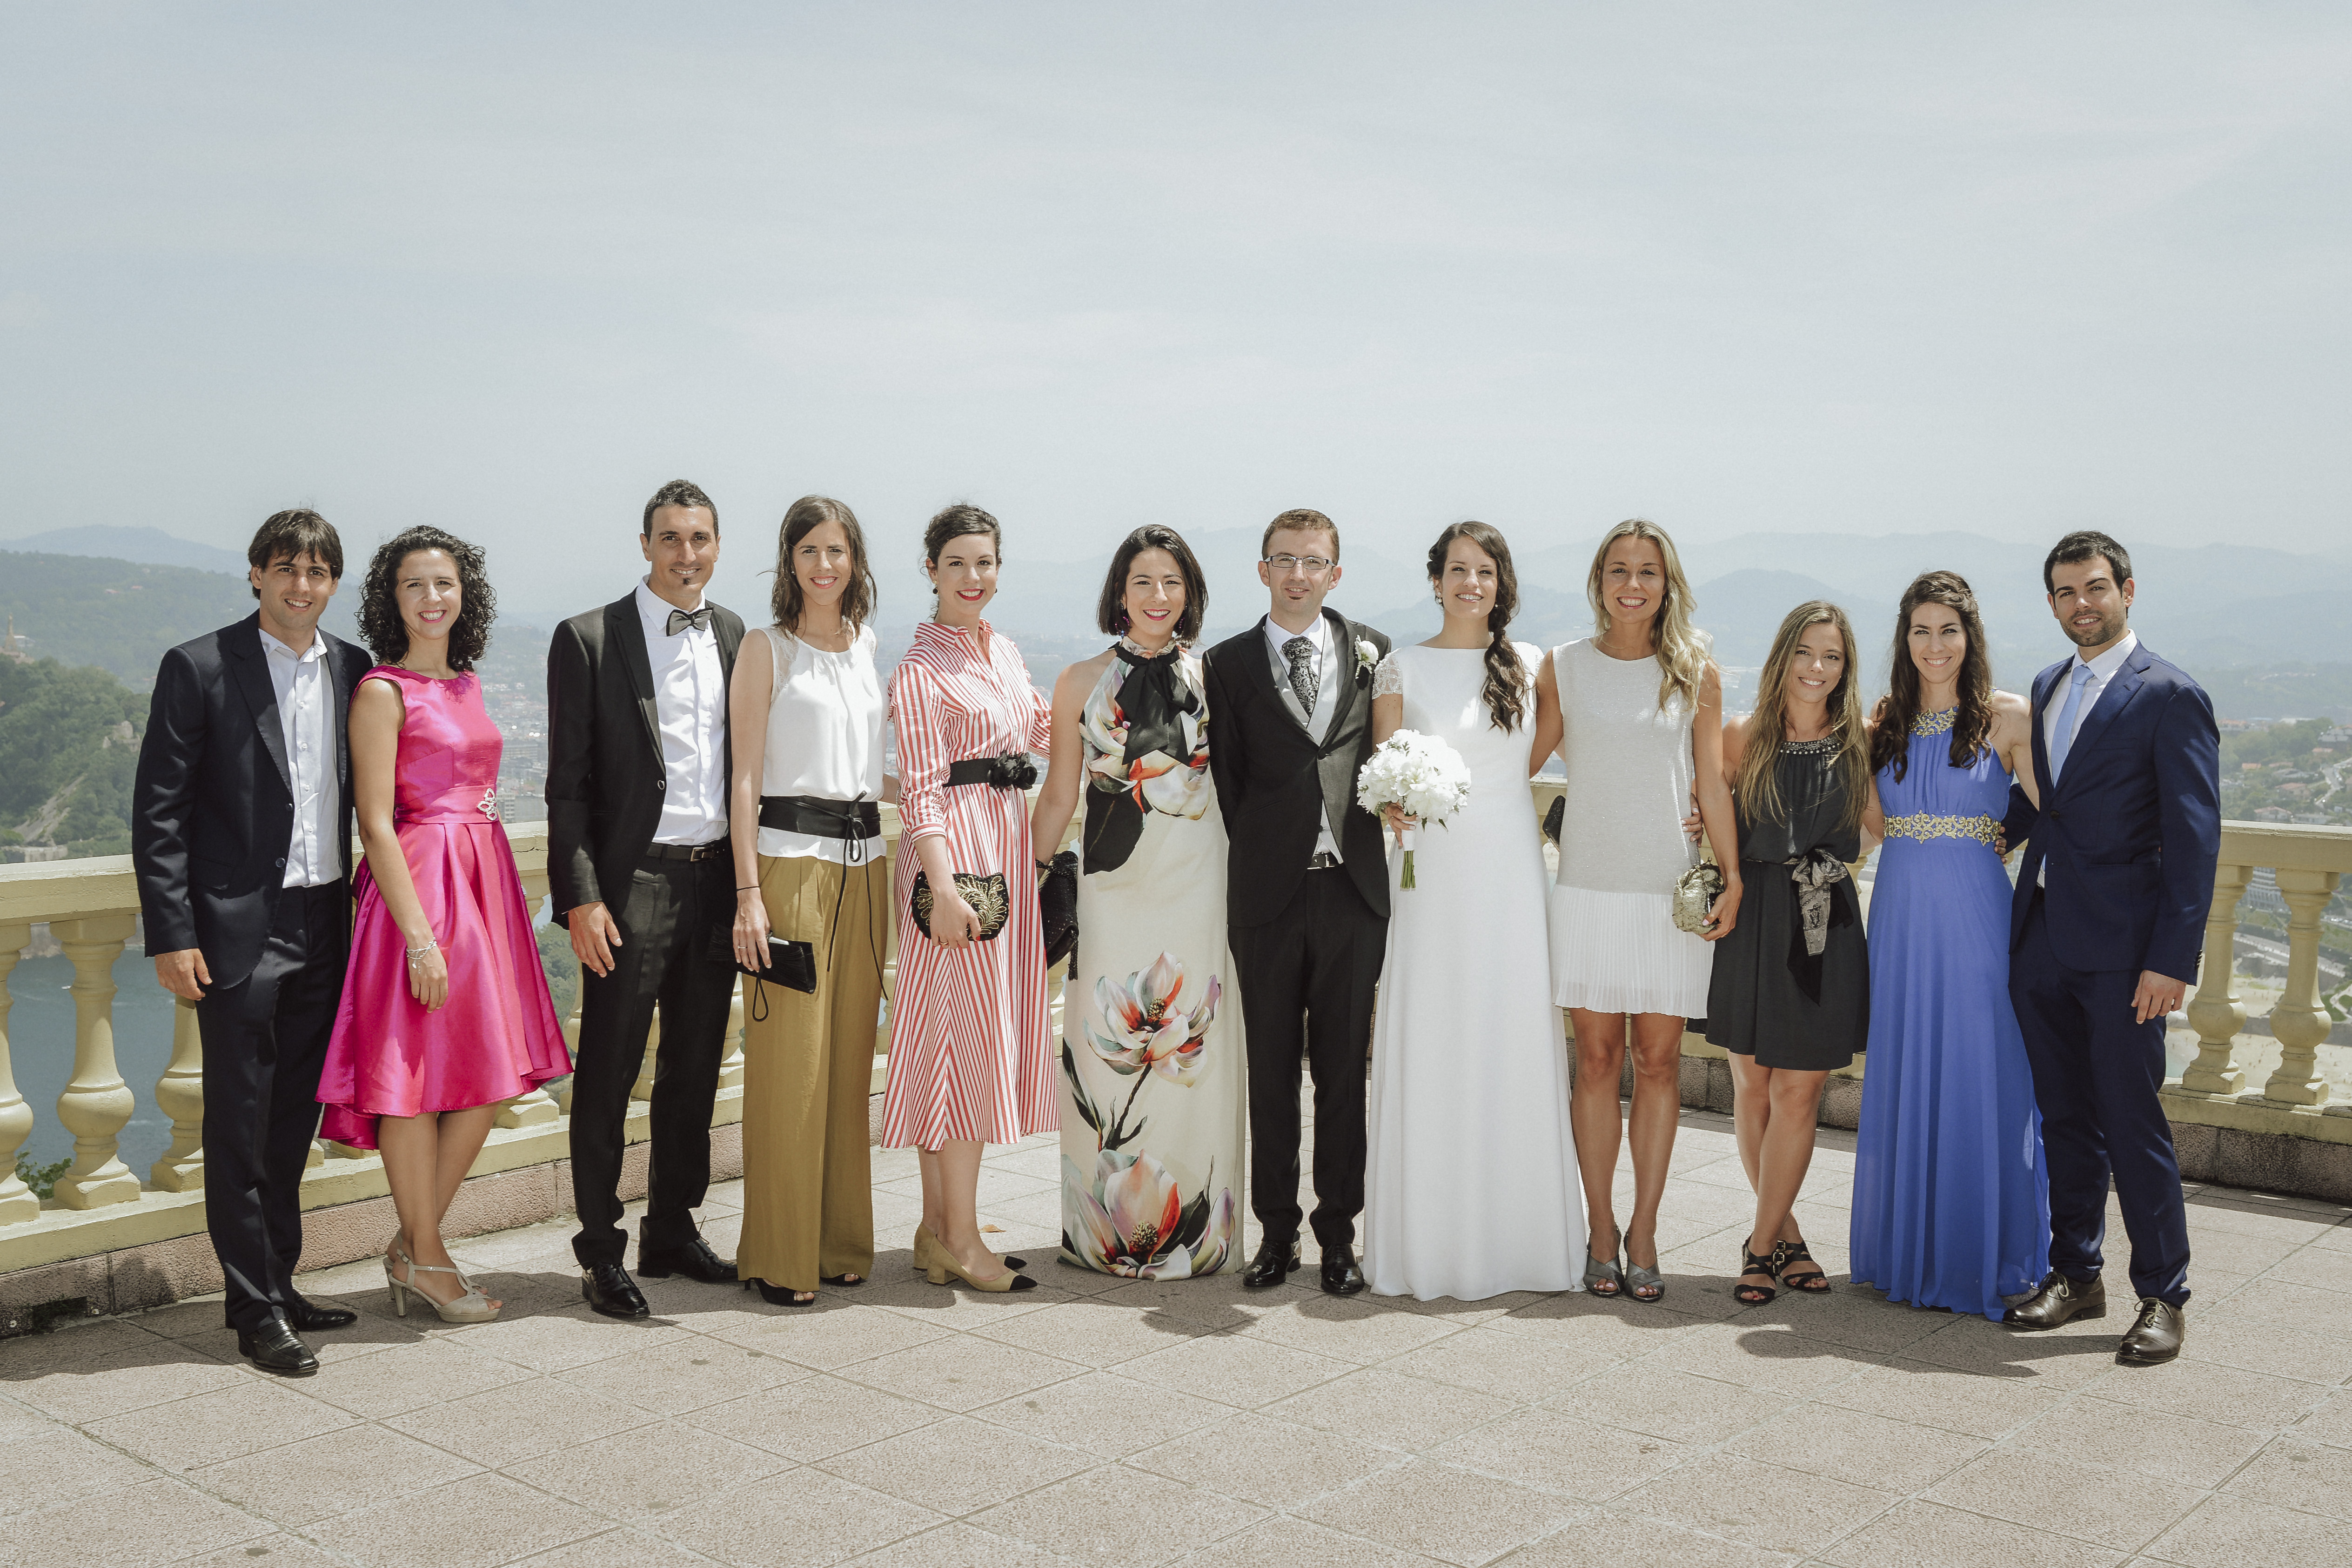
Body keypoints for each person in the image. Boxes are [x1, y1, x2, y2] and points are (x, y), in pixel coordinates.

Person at [131, 510, 372, 1376]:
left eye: (317, 572)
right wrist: (172, 933)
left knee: (293, 1119)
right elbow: (158, 814)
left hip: (325, 921)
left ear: (333, 582)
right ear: (257, 574)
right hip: (236, 929)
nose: (301, 585)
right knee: (239, 1123)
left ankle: (280, 1280)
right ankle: (253, 1310)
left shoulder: (354, 668)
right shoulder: (199, 666)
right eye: (286, 568)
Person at [315, 528, 571, 1323]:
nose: (432, 598)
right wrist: (419, 937)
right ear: (391, 601)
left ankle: (411, 1246)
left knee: (487, 1078)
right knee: (414, 1085)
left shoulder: (467, 683)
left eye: (445, 583)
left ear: (466, 594)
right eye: (414, 585)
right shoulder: (381, 691)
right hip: (420, 891)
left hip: (483, 885)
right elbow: (374, 821)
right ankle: (427, 1256)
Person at [1998, 530, 2217, 1367]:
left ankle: (2164, 1294)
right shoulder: (2047, 685)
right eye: (2065, 591)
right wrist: (1966, 836)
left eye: (2094, 587)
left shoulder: (2171, 694)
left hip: (2127, 953)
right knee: (2063, 1116)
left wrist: (2173, 960)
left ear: (2127, 589)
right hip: (2043, 938)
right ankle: (2077, 1274)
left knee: (2132, 1119)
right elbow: (2041, 805)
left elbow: (2194, 842)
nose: (2080, 604)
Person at [1361, 522, 1580, 1300]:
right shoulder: (1400, 665)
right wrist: (1400, 802)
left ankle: (1521, 1242)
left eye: (1485, 570)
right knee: (1434, 1025)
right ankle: (1428, 1243)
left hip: (1509, 869)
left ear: (1502, 582)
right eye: (1457, 569)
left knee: (1510, 1028)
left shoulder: (1533, 663)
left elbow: (1541, 754)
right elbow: (1382, 770)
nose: (1471, 583)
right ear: (1436, 580)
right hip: (1430, 872)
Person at [1528, 518, 1740, 1304]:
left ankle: (1645, 1229)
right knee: (1593, 1063)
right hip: (1587, 889)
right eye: (1619, 569)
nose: (1632, 584)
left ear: (1667, 583)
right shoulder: (1563, 667)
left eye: (1648, 570)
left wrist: (1733, 873)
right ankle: (1601, 1227)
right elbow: (1521, 762)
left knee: (1657, 1063)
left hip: (1666, 895)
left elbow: (1711, 780)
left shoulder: (1696, 672)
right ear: (1599, 581)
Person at [548, 480, 746, 1319]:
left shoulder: (735, 633)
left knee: (695, 1067)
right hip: (634, 885)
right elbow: (567, 788)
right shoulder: (589, 637)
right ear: (645, 545)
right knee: (609, 1071)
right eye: (670, 538)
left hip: (715, 879)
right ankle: (600, 1249)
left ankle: (672, 1227)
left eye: (700, 538)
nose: (686, 554)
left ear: (717, 546)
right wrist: (582, 897)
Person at [1031, 526, 1243, 1279]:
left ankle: (1201, 1236)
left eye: (1172, 582)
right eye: (1143, 581)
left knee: (1195, 1051)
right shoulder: (1079, 680)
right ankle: (1101, 1233)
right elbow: (1060, 792)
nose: (1158, 596)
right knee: (1104, 1054)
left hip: (1199, 885)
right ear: (1119, 591)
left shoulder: (1217, 677)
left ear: (1191, 593)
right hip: (1112, 893)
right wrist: (1027, 875)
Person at [1849, 572, 2050, 1320]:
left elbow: (2058, 812)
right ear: (1905, 639)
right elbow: (1867, 830)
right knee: (1909, 1064)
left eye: (1948, 630)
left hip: (1976, 918)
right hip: (1900, 916)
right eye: (1921, 631)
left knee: (1982, 1065)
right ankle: (1911, 1251)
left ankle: (1985, 1252)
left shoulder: (2008, 717)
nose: (1935, 646)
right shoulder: (1882, 723)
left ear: (1971, 636)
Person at [1201, 509, 1391, 1297]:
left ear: (1335, 573)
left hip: (1352, 891)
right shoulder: (1227, 663)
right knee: (1271, 1072)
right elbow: (1231, 782)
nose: (1299, 575)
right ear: (1263, 570)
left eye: (1314, 562)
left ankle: (1339, 1237)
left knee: (1345, 1075)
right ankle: (1275, 1235)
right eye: (1284, 560)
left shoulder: (1373, 650)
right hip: (1267, 897)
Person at [879, 504, 1055, 1293]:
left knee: (954, 1040)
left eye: (984, 562)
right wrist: (943, 888)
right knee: (961, 1045)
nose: (972, 576)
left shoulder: (1005, 650)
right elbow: (919, 789)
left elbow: (1046, 731)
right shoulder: (920, 670)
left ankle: (935, 1229)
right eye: (956, 562)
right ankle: (961, 1236)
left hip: (1004, 845)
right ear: (931, 570)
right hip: (954, 861)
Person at [726, 496, 894, 1306]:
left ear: (855, 560)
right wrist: (747, 895)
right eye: (809, 551)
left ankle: (837, 1242)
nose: (824, 565)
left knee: (848, 1063)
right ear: (789, 561)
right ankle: (778, 1254)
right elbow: (745, 778)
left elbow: (868, 769)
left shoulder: (867, 644)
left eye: (837, 550)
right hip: (790, 866)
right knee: (791, 1067)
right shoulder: (768, 649)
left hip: (867, 870)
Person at [1710, 601, 1876, 1307]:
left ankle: (1757, 1247)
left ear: (1846, 668)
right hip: (1753, 917)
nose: (1817, 667)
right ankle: (1789, 1236)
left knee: (1798, 1090)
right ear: (1784, 655)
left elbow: (1881, 824)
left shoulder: (1861, 739)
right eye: (1805, 652)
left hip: (1824, 921)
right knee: (1753, 1086)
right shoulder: (1741, 735)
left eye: (1832, 656)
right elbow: (1711, 811)